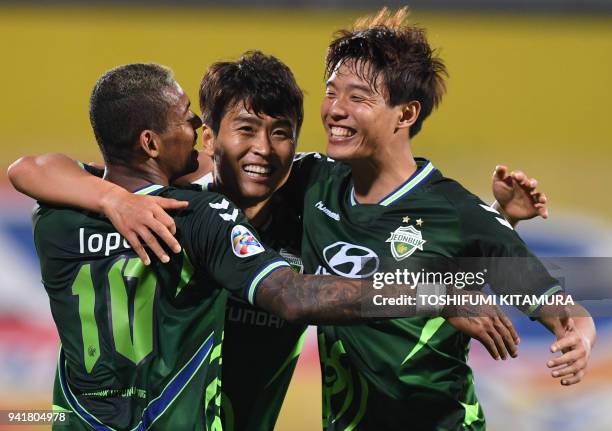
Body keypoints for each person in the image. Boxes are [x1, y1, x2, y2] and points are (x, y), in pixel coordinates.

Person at [9, 62, 519, 430]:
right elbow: (296, 296)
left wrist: (497, 224)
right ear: (209, 139)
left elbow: (29, 169)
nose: (262, 149)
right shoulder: (195, 214)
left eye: (281, 134)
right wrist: (436, 294)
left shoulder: (56, 215)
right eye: (243, 130)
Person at [276, 8, 595, 430]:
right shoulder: (311, 182)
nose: (335, 110)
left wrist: (579, 338)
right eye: (332, 92)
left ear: (406, 114)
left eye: (358, 98)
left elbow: (561, 308)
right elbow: (223, 173)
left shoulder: (457, 214)